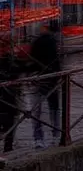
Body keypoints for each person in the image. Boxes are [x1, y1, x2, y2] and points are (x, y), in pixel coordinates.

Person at [29, 20, 61, 148]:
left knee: (38, 110)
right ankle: (56, 135)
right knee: (54, 108)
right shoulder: (53, 42)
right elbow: (57, 61)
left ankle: (39, 138)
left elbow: (32, 61)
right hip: (51, 79)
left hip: (40, 78)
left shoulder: (37, 42)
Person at [0, 53, 18, 153]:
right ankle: (8, 146)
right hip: (8, 99)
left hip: (7, 99)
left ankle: (8, 146)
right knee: (9, 122)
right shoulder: (12, 65)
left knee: (8, 121)